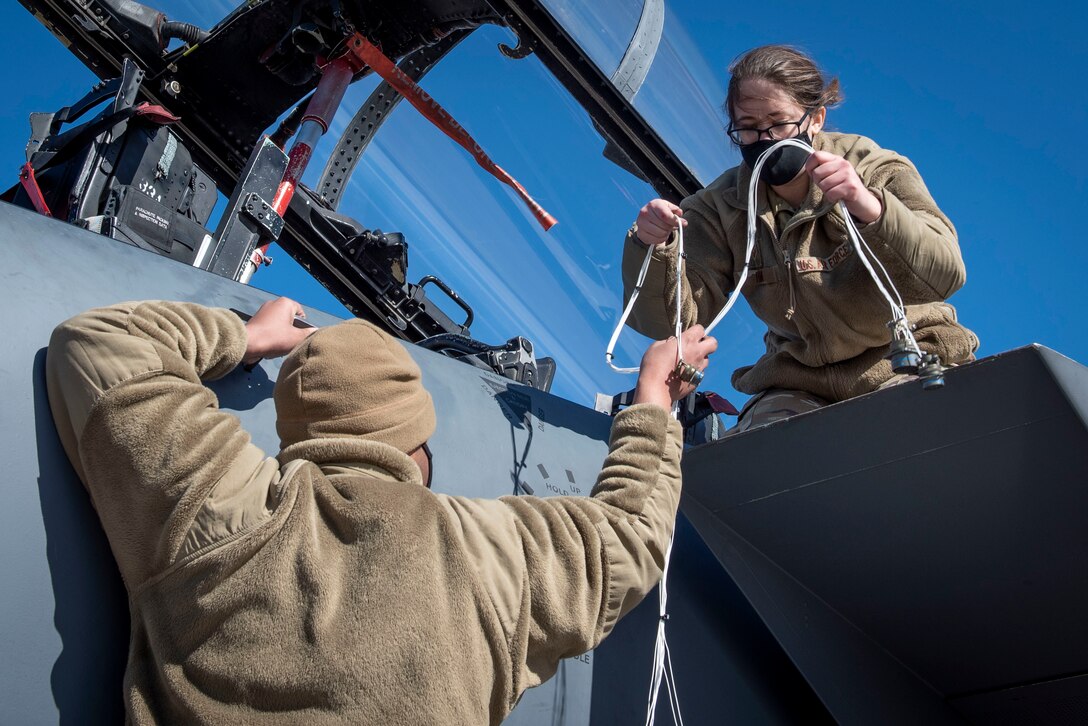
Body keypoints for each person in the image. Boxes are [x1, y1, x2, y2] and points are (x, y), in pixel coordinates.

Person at [45, 295, 716, 724]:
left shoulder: (228, 514)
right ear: (417, 445)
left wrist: (246, 338)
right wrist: (654, 393)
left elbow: (98, 345)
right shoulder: (497, 560)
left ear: (300, 436)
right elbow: (632, 533)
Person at [622, 44, 978, 432]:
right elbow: (670, 324)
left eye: (778, 123)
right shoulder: (718, 209)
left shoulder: (875, 168)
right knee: (759, 461)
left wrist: (869, 206)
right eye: (748, 126)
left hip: (906, 356)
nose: (764, 138)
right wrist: (653, 245)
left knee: (909, 432)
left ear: (815, 119)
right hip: (800, 381)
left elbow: (946, 273)